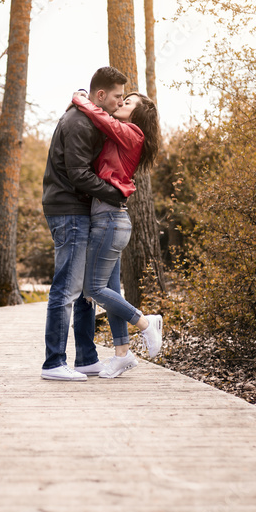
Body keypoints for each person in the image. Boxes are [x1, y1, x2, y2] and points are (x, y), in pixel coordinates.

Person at [40, 66, 130, 381]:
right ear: (101, 95)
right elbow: (78, 174)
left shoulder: (86, 118)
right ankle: (53, 363)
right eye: (117, 97)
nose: (120, 103)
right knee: (67, 287)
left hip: (78, 208)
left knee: (83, 291)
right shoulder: (78, 123)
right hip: (68, 209)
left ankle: (87, 359)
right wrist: (116, 194)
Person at [70, 89, 163, 378]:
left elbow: (101, 118)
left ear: (138, 114)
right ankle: (122, 354)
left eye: (129, 101)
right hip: (109, 219)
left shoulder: (132, 132)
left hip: (109, 221)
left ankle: (146, 323)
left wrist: (80, 98)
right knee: (109, 290)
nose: (122, 103)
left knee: (92, 290)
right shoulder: (124, 134)